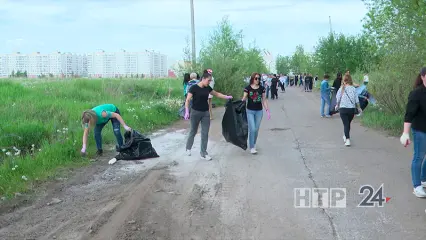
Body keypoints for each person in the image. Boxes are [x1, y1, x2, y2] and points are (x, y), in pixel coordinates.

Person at [184, 72, 233, 160]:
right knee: (193, 131)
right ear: (203, 78)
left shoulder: (207, 88)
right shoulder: (193, 88)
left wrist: (226, 97)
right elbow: (187, 100)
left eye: (210, 81)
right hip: (195, 112)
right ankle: (188, 147)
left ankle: (203, 153)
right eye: (208, 80)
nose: (209, 82)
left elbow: (217, 94)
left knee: (205, 133)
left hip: (205, 113)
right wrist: (187, 111)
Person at [400, 67, 426, 197]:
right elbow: (409, 115)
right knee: (419, 157)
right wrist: (405, 133)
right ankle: (417, 186)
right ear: (422, 76)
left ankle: (423, 179)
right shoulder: (416, 94)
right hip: (421, 130)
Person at [242, 72, 270, 154]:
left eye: (259, 78)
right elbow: (244, 98)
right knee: (252, 129)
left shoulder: (262, 88)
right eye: (256, 78)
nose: (257, 80)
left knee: (256, 129)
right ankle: (252, 147)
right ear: (252, 79)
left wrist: (267, 110)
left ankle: (253, 143)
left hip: (259, 111)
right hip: (250, 111)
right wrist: (240, 100)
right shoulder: (247, 88)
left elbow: (264, 100)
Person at [335, 74, 362, 146]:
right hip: (351, 110)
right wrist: (359, 108)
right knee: (347, 124)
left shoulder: (341, 89)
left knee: (346, 124)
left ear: (344, 80)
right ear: (350, 80)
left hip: (343, 109)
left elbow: (337, 98)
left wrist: (337, 105)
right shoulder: (353, 89)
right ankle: (345, 136)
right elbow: (356, 100)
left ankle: (347, 139)